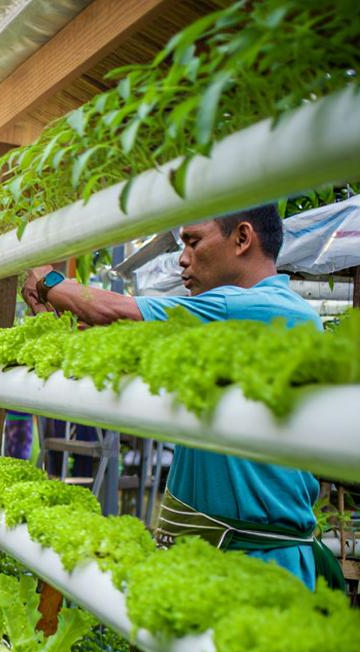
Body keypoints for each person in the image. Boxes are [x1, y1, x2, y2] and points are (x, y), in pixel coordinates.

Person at [20, 204, 343, 590]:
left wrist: (49, 280)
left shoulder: (267, 310)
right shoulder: (228, 322)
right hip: (218, 552)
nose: (182, 259)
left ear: (242, 239)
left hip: (254, 565)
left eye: (193, 241)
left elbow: (114, 311)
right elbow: (111, 340)